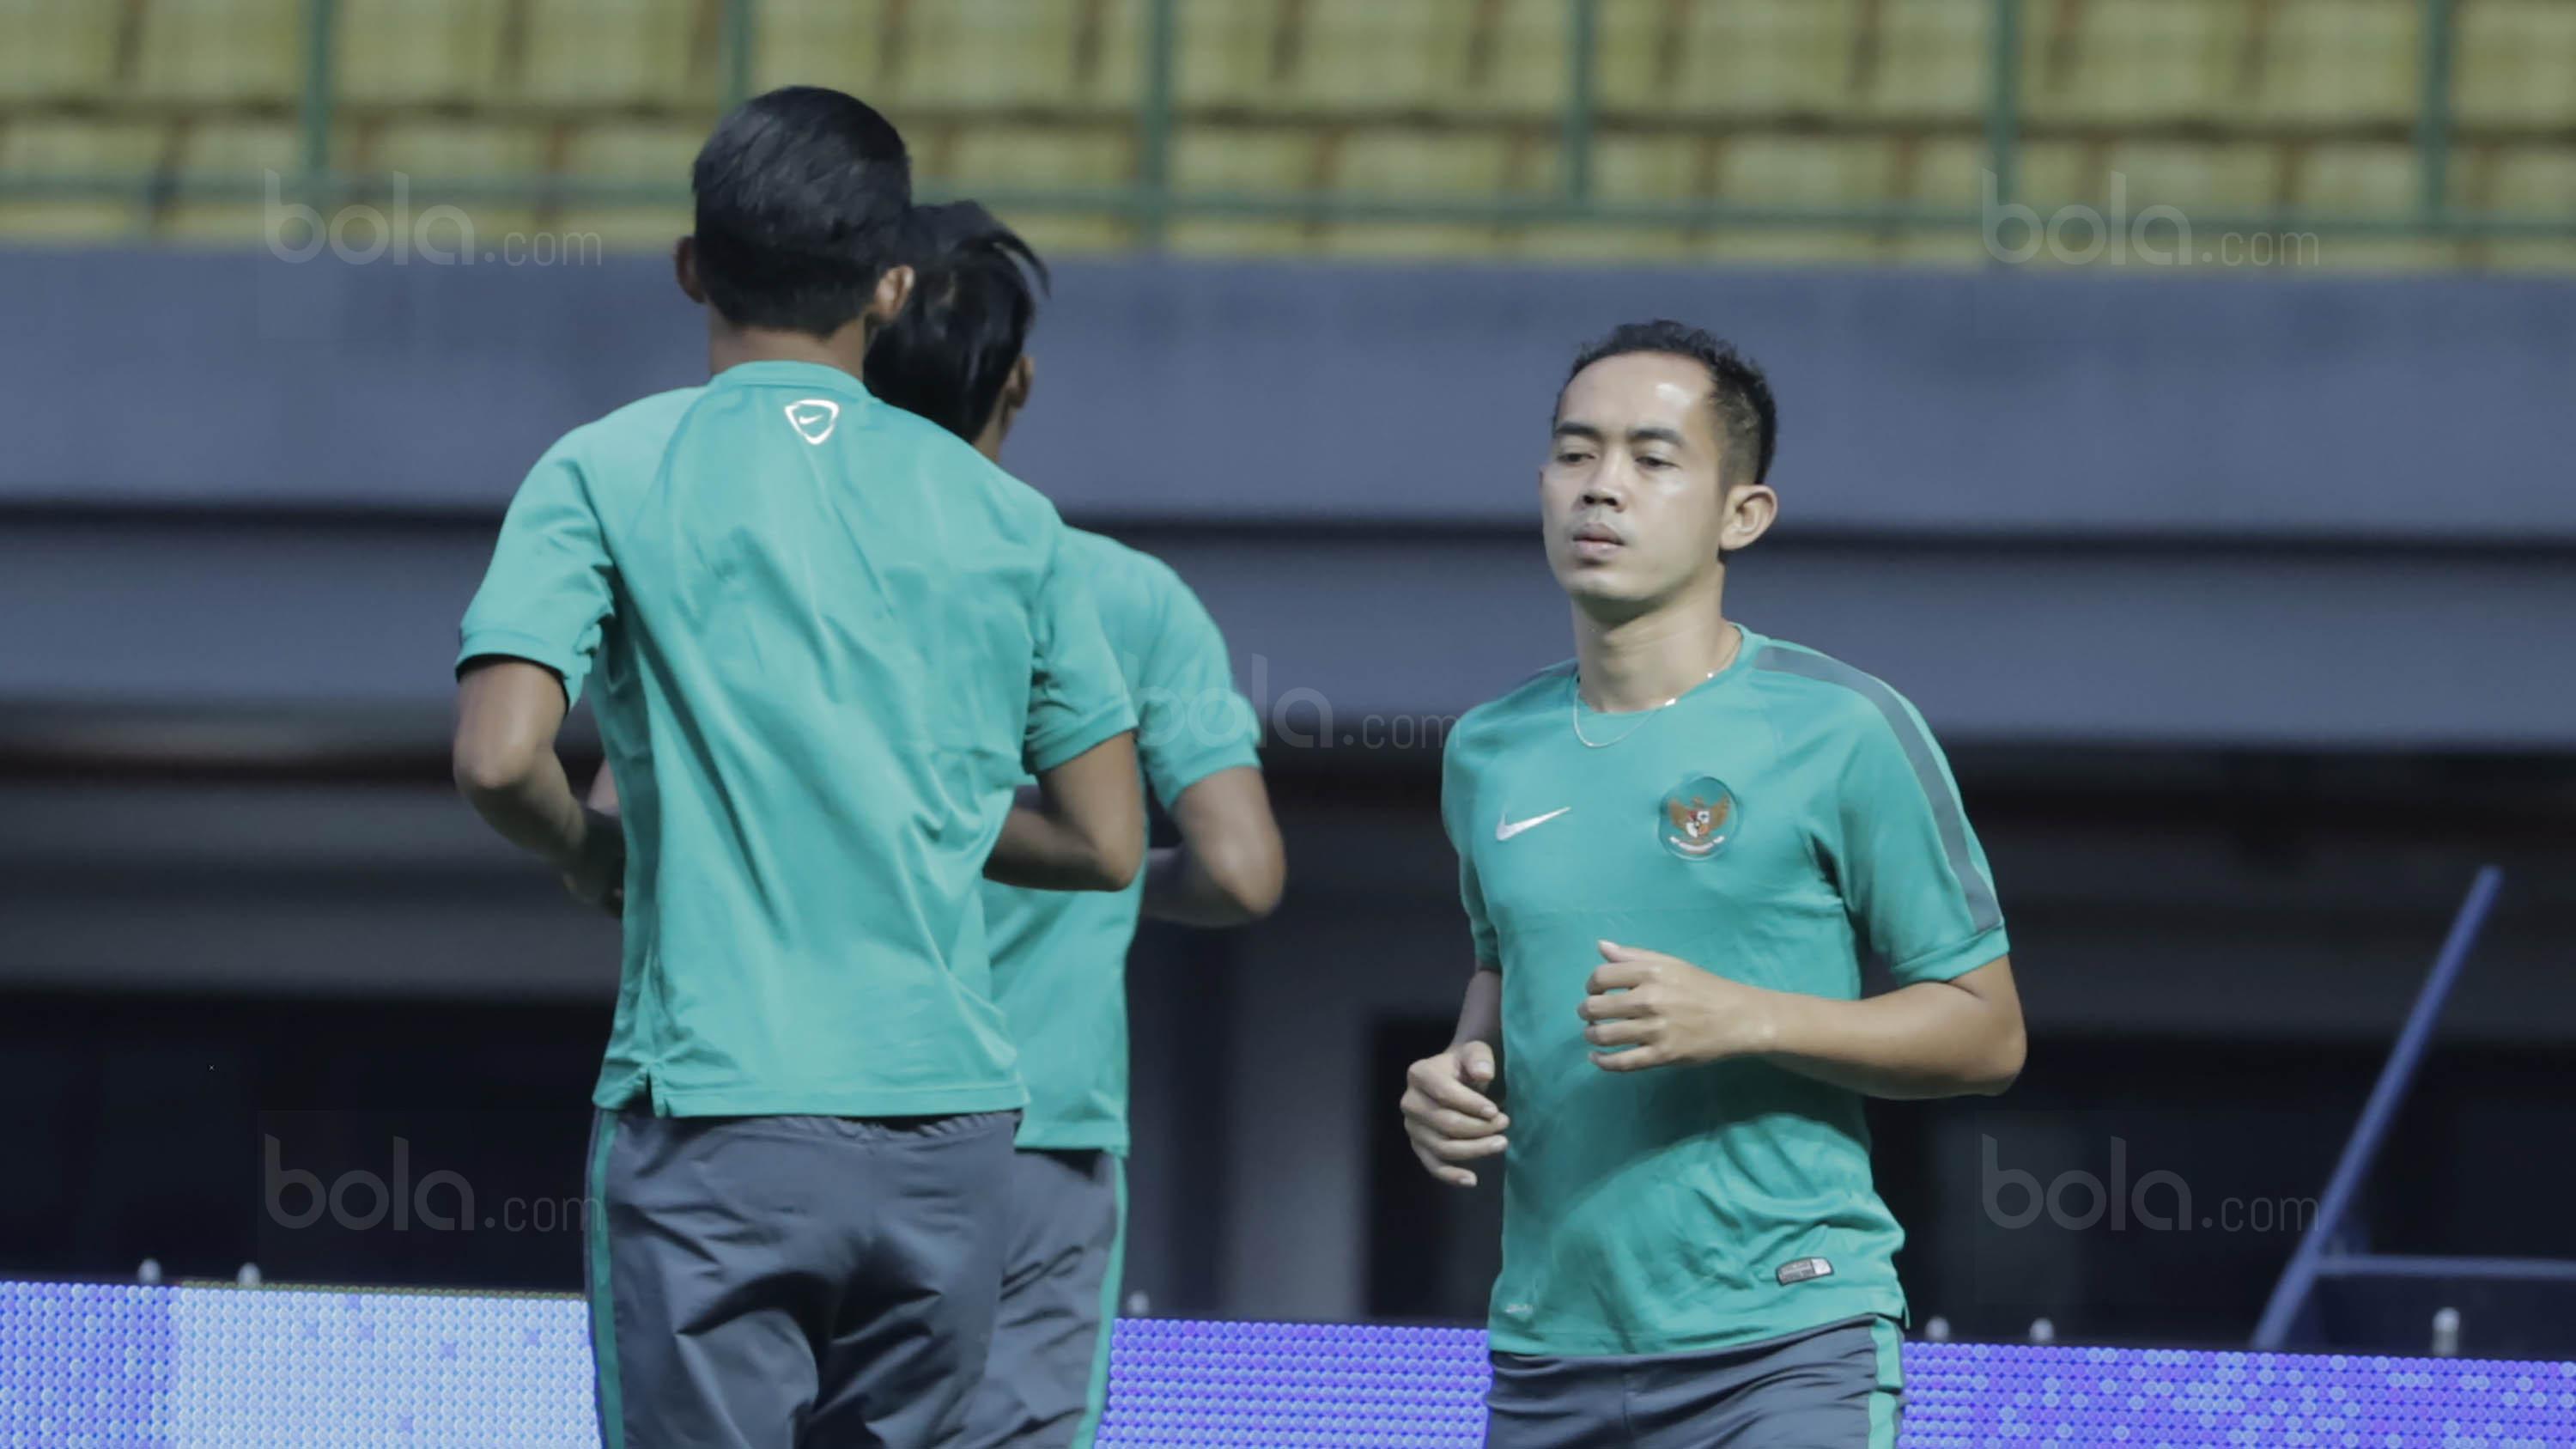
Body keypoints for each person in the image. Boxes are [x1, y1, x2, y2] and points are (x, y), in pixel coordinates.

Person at [449, 88, 1144, 1449]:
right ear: (892, 286)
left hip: (713, 1116)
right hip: (952, 1132)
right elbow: (1110, 843)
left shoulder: (602, 467)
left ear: (692, 265)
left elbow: (496, 759)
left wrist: (596, 853)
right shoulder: (1011, 517)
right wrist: (919, 812)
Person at [1398, 320, 2026, 1449]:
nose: (1602, 489)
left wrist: (1744, 1016)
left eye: (1652, 457)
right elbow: (1505, 970)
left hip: (1786, 1343)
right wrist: (1458, 1075)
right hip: (1549, 1352)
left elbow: (1987, 1035)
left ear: (1745, 513)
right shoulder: (1486, 749)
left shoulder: (1844, 729)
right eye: (1575, 452)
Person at [876, 202, 1285, 1449]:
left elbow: (627, 820)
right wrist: (1108, 874)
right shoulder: (1124, 595)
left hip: (809, 1109)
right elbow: (1241, 871)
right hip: (1038, 1140)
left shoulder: (773, 571)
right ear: (1021, 382)